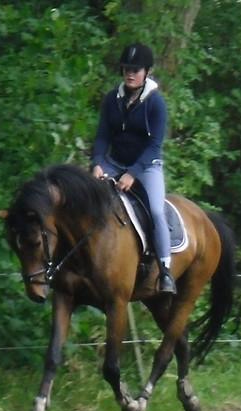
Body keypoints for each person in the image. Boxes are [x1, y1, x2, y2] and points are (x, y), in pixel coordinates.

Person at [91, 42, 176, 294]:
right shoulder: (112, 99)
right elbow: (103, 135)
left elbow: (154, 144)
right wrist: (97, 162)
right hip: (113, 162)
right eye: (127, 68)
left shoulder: (156, 103)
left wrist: (132, 174)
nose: (130, 73)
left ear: (147, 71)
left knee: (157, 212)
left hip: (147, 166)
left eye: (136, 69)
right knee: (85, 195)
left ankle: (165, 270)